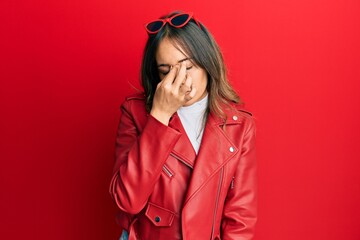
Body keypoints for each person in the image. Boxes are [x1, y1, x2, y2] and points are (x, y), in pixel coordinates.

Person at [109, 10, 257, 240]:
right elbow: (128, 201)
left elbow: (240, 216)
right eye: (166, 71)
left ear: (207, 63)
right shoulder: (135, 113)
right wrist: (160, 115)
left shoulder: (239, 125)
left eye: (188, 67)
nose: (181, 80)